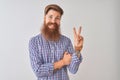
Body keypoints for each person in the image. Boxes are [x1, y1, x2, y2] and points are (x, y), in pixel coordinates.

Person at [29, 4, 84, 80]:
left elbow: (73, 70)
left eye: (57, 18)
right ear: (45, 18)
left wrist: (77, 50)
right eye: (50, 17)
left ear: (60, 21)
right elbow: (38, 70)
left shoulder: (66, 41)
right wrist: (63, 62)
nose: (53, 21)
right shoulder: (34, 42)